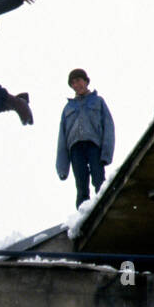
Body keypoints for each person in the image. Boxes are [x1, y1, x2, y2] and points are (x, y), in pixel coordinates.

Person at [55, 68, 116, 208]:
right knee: (81, 185)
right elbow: (62, 138)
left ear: (86, 81)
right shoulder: (68, 108)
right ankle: (83, 217)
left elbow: (108, 127)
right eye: (73, 83)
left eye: (79, 80)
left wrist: (106, 153)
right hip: (76, 149)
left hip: (94, 145)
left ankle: (104, 208)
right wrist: (62, 167)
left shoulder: (98, 101)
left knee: (99, 180)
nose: (77, 85)